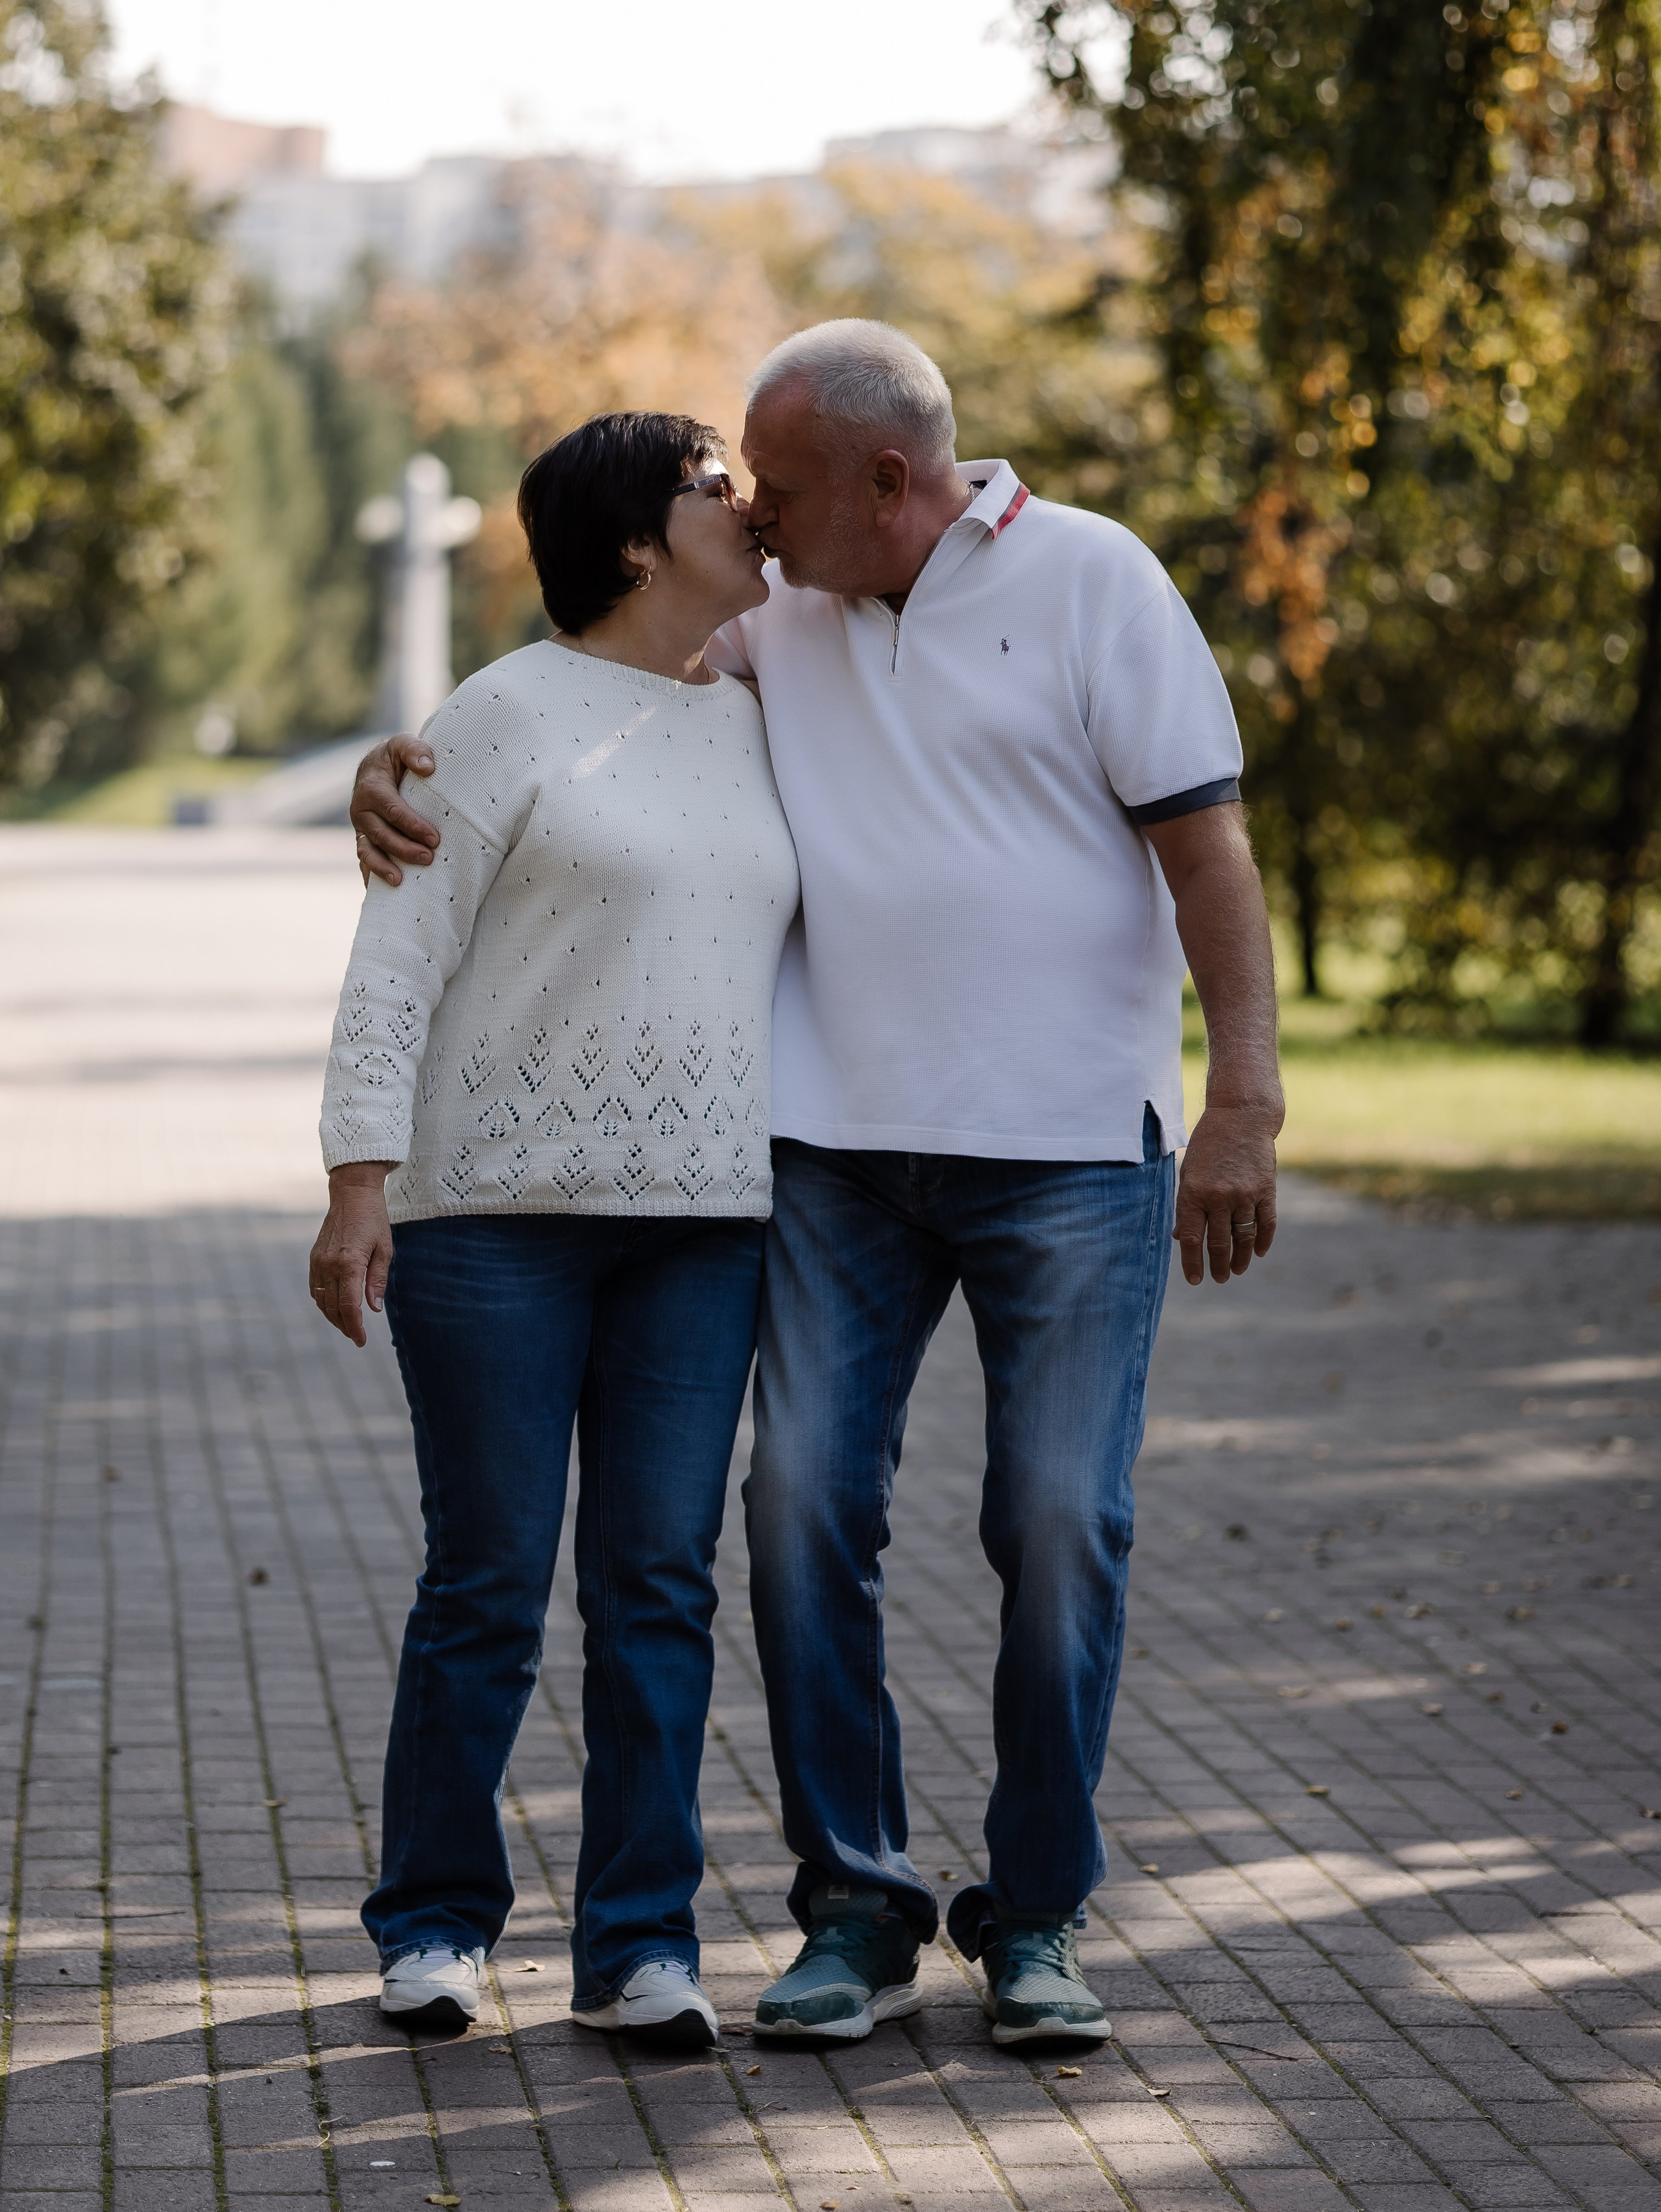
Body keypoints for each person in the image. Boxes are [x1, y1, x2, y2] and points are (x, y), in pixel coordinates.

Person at [350, 320, 1284, 2050]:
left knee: (1061, 1525)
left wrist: (1247, 1100)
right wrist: (402, 759)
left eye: (774, 486)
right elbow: (586, 682)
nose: (753, 516)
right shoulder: (780, 612)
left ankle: (1038, 1917)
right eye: (736, 493)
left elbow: (1206, 848)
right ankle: (854, 1901)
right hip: (837, 1152)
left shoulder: (1096, 584)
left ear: (885, 477)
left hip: (1076, 1148)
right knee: (792, 1515)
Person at [309, 411, 799, 2045]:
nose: (749, 506)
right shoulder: (502, 710)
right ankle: (435, 1924)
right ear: (636, 541)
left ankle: (640, 1945)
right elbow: (399, 954)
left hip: (703, 1224)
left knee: (658, 1582)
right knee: (492, 1579)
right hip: (493, 1222)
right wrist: (356, 1182)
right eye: (714, 487)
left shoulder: (772, 698)